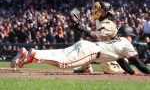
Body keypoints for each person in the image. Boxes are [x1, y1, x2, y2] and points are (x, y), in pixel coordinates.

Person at [11, 25, 150, 75]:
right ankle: (33, 55)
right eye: (131, 36)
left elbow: (122, 62)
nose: (132, 38)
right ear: (128, 35)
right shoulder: (126, 43)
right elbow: (138, 63)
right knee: (64, 63)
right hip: (90, 51)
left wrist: (132, 73)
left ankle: (28, 52)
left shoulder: (117, 41)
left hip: (87, 46)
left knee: (60, 54)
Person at [73, 1, 125, 74]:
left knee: (109, 70)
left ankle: (123, 68)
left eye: (99, 9)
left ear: (105, 11)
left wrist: (80, 28)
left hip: (113, 52)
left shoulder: (108, 24)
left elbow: (95, 35)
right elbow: (93, 34)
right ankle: (86, 67)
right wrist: (78, 26)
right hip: (104, 48)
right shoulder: (99, 19)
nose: (96, 11)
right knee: (85, 47)